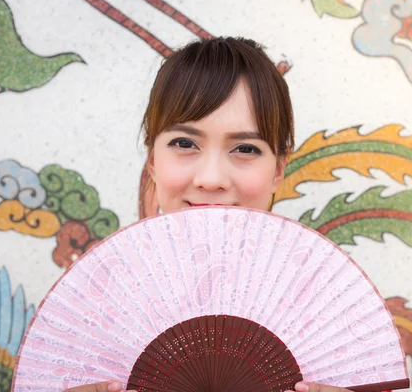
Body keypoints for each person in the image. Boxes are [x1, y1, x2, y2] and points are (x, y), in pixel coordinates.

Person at [64, 37, 352, 392]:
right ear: (152, 160)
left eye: (245, 148)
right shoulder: (92, 307)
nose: (211, 179)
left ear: (278, 169)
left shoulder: (338, 310)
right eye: (184, 143)